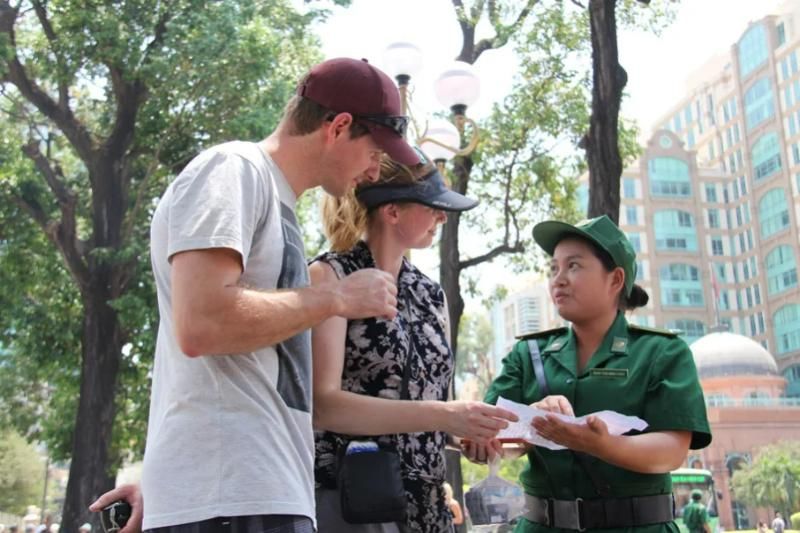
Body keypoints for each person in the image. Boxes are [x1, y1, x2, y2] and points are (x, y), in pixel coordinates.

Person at [89, 57, 420, 533]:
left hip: (256, 494)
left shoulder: (274, 200)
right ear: (339, 127)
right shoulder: (234, 169)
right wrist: (335, 299)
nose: (374, 172)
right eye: (375, 152)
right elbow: (202, 322)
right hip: (231, 498)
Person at [463, 215, 712, 532]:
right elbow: (492, 432)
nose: (558, 279)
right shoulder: (528, 354)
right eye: (554, 268)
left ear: (615, 280)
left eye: (574, 266)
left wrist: (600, 444)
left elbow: (672, 451)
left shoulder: (661, 352)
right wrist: (517, 430)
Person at [310, 152, 517, 532]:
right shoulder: (330, 277)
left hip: (428, 508)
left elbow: (430, 407)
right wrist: (445, 415)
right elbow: (324, 407)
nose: (443, 217)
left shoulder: (431, 294)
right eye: (433, 206)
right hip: (357, 504)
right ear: (393, 211)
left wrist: (467, 433)